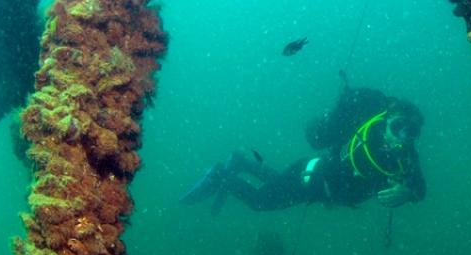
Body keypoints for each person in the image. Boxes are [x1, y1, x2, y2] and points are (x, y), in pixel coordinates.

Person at [181, 81, 426, 214]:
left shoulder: (406, 158)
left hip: (314, 182)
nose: (403, 137)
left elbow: (420, 188)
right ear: (386, 123)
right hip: (310, 179)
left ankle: (241, 162)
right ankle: (220, 176)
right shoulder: (372, 133)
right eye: (398, 127)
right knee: (260, 202)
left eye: (411, 132)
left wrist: (408, 193)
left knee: (275, 182)